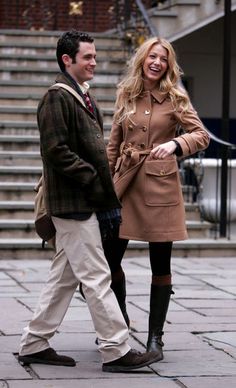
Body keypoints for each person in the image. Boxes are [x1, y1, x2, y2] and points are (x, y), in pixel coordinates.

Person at [17, 30, 160, 373]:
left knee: (64, 276)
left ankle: (34, 344)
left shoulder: (81, 96)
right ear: (67, 60)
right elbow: (55, 151)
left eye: (95, 56)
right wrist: (92, 178)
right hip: (73, 203)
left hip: (84, 201)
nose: (94, 62)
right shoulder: (56, 97)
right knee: (97, 276)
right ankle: (116, 348)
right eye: (87, 57)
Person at [104, 36, 210, 362]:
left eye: (163, 59)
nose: (157, 63)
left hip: (161, 186)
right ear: (143, 59)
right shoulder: (126, 94)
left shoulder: (176, 98)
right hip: (125, 183)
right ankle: (119, 327)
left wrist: (177, 145)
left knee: (160, 263)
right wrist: (105, 187)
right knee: (110, 259)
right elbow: (113, 143)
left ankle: (155, 340)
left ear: (168, 64)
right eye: (153, 56)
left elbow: (201, 135)